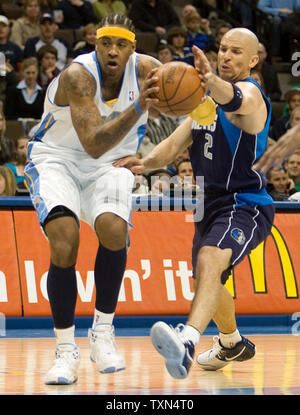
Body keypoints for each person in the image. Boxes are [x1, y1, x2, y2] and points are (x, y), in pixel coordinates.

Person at [115, 28, 274, 379]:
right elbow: (171, 147)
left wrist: (210, 79)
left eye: (235, 52)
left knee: (208, 261)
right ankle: (231, 342)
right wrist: (141, 164)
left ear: (253, 59)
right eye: (222, 49)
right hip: (208, 205)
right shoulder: (204, 104)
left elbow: (235, 99)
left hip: (245, 202)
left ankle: (186, 341)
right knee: (208, 278)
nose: (226, 55)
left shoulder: (252, 96)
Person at [23, 13, 161, 385]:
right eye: (105, 43)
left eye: (121, 44)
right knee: (65, 239)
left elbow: (187, 106)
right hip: (58, 159)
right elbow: (92, 141)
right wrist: (139, 107)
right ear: (95, 44)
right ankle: (65, 349)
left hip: (113, 164)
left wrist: (199, 93)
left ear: (133, 47)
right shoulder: (77, 76)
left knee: (114, 230)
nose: (112, 51)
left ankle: (102, 331)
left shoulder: (150, 70)